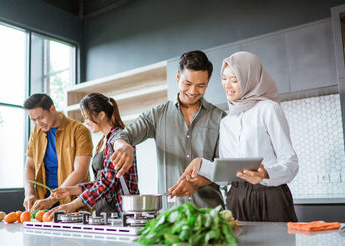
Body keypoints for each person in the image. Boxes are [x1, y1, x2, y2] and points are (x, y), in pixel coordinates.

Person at [171, 51, 299, 222]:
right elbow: (226, 178)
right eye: (224, 78)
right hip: (236, 199)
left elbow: (291, 163)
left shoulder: (268, 109)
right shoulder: (227, 121)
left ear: (249, 78)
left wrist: (266, 174)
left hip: (269, 196)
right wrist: (201, 163)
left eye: (234, 79)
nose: (227, 85)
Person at [110, 50, 226, 208]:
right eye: (187, 83)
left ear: (208, 81)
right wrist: (124, 146)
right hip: (170, 215)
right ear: (178, 77)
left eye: (200, 85)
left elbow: (224, 168)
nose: (193, 91)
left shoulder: (220, 118)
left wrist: (197, 183)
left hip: (210, 214)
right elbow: (122, 135)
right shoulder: (157, 114)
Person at [50, 93, 139, 215]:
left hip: (120, 212)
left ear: (101, 115)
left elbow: (107, 183)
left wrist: (72, 205)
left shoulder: (117, 139)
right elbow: (101, 181)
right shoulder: (103, 141)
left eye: (87, 118)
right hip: (105, 211)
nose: (85, 122)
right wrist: (71, 190)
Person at [23, 94, 93, 211]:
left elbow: (81, 172)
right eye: (33, 120)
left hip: (72, 203)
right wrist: (29, 193)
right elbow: (29, 167)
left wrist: (52, 200)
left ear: (52, 109)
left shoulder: (80, 131)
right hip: (43, 202)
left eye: (40, 117)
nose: (38, 123)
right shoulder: (36, 133)